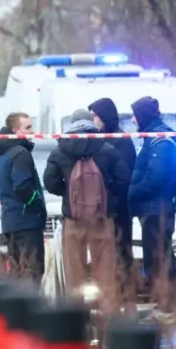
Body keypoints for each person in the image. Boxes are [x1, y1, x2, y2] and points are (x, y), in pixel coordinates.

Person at [43, 109, 130, 312]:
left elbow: (50, 182)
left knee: (75, 275)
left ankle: (76, 324)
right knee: (106, 275)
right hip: (101, 220)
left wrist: (67, 194)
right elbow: (123, 180)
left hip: (73, 221)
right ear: (91, 123)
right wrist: (109, 199)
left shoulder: (61, 150)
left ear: (71, 125)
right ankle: (110, 322)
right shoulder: (106, 148)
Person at [127, 96, 176, 313]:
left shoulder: (159, 140)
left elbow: (155, 178)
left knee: (159, 260)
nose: (132, 120)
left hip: (156, 210)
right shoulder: (154, 138)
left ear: (143, 116)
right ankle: (164, 304)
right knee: (158, 258)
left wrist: (130, 193)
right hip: (153, 210)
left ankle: (166, 306)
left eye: (134, 115)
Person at [88, 97, 137, 312]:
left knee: (122, 256)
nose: (93, 121)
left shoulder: (121, 141)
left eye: (95, 116)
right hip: (103, 211)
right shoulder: (98, 140)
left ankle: (128, 301)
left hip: (119, 211)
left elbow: (124, 178)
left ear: (104, 117)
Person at [0, 112, 47, 283]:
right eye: (28, 127)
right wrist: (37, 203)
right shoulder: (20, 153)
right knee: (32, 272)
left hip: (10, 223)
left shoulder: (2, 156)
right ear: (16, 130)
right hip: (27, 224)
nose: (33, 131)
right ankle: (30, 309)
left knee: (17, 273)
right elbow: (22, 187)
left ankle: (18, 309)